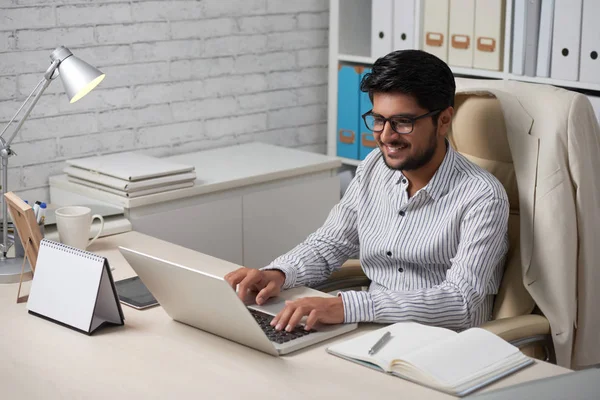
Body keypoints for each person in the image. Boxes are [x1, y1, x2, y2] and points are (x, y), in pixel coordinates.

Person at [225, 49, 509, 334]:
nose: (386, 136)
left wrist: (348, 307)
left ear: (444, 120)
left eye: (402, 122)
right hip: (372, 332)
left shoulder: (482, 196)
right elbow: (330, 244)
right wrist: (279, 273)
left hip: (442, 343)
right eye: (378, 119)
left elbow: (460, 302)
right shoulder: (374, 167)